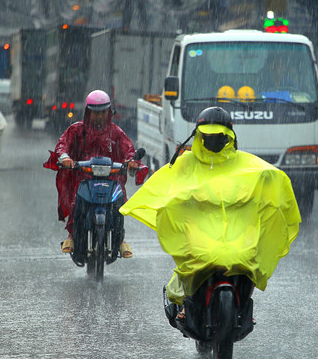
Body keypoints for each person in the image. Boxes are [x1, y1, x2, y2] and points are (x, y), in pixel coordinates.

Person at [120, 106, 300, 317]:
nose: (214, 141)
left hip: (237, 233)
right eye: (208, 136)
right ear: (199, 137)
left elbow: (268, 178)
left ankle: (245, 305)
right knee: (192, 259)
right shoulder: (185, 164)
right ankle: (188, 303)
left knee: (249, 259)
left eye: (219, 136)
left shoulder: (247, 164)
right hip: (198, 232)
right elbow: (164, 187)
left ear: (229, 137)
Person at [44, 90, 139, 256]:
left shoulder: (116, 132)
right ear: (88, 112)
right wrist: (66, 158)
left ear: (108, 112)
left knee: (119, 202)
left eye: (103, 112)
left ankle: (120, 239)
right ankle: (72, 235)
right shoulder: (76, 130)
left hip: (111, 176)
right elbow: (62, 145)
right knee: (75, 201)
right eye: (95, 113)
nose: (99, 117)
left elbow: (128, 149)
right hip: (82, 176)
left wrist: (131, 160)